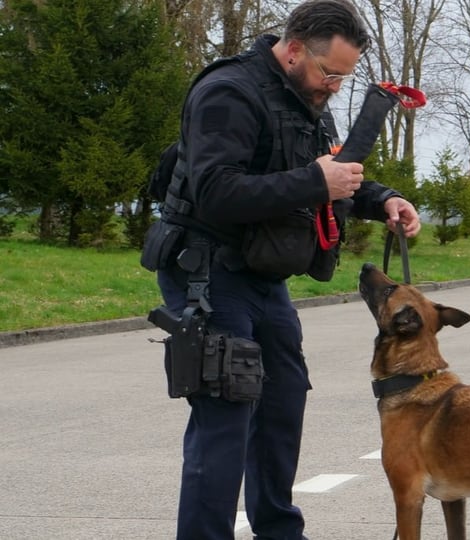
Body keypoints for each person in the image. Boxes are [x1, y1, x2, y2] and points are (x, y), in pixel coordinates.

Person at [154, 1, 420, 538]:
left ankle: (278, 531)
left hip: (261, 278)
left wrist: (383, 199)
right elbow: (215, 190)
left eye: (346, 77)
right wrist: (315, 183)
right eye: (331, 73)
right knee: (226, 416)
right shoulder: (227, 93)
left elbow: (321, 175)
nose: (337, 87)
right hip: (207, 272)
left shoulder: (305, 100)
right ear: (294, 49)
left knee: (282, 405)